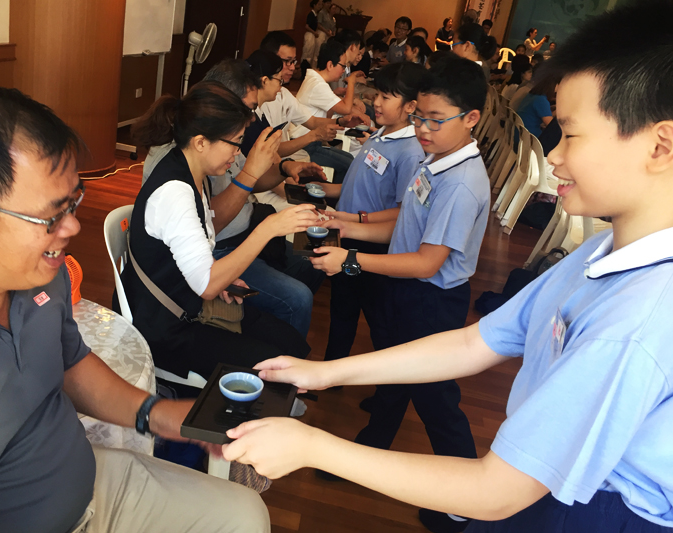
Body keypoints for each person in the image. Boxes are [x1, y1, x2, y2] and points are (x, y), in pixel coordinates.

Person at [223, 3, 673, 533]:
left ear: (660, 146)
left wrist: (314, 447)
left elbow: (496, 490)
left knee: (440, 411)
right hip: (541, 487)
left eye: (570, 135)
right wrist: (323, 372)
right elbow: (472, 343)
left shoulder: (639, 319)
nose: (552, 158)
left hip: (587, 513)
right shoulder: (595, 258)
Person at [0, 84, 271, 533]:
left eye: (74, 201)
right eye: (52, 215)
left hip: (88, 484)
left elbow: (69, 359)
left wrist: (157, 414)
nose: (74, 226)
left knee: (245, 515)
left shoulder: (37, 274)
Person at [307, 55, 490, 532]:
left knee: (435, 399)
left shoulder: (462, 183)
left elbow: (428, 261)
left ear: (470, 118)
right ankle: (370, 448)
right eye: (419, 117)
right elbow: (403, 217)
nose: (423, 129)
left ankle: (469, 504)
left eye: (435, 120)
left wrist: (350, 259)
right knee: (394, 375)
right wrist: (346, 221)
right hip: (407, 290)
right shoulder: (436, 160)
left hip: (430, 299)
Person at [128, 81, 314, 381]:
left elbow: (196, 249)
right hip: (167, 326)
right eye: (235, 142)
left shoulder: (192, 172)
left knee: (286, 341)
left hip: (186, 302)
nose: (237, 153)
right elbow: (207, 285)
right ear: (201, 142)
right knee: (279, 364)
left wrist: (226, 276)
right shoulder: (175, 191)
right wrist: (267, 228)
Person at [320, 62, 427, 370]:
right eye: (378, 94)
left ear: (410, 106)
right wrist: (326, 189)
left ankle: (387, 389)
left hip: (371, 243)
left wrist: (357, 221)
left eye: (387, 97)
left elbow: (401, 212)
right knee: (342, 307)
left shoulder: (409, 151)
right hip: (349, 230)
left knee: (377, 318)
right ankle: (331, 370)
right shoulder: (382, 134)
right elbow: (360, 183)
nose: (377, 102)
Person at [258, 31, 367, 186]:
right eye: (287, 61)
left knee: (341, 167)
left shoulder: (284, 94)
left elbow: (312, 121)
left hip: (284, 160)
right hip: (272, 169)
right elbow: (270, 153)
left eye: (293, 61)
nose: (292, 67)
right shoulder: (257, 103)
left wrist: (341, 121)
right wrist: (314, 136)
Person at [295, 40, 367, 131]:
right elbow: (346, 109)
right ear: (330, 65)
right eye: (343, 66)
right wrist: (351, 82)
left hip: (311, 135)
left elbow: (327, 116)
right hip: (305, 139)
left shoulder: (316, 80)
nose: (343, 70)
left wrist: (334, 94)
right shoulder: (318, 85)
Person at [516, 71, 556, 138]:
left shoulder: (532, 95)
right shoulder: (541, 100)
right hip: (530, 139)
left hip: (519, 135)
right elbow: (551, 126)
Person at [301, 0, 327, 73]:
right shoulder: (311, 14)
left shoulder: (316, 15)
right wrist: (314, 32)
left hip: (312, 34)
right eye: (318, 5)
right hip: (310, 34)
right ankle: (304, 69)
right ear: (314, 5)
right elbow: (307, 26)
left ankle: (309, 68)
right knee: (307, 51)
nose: (320, 6)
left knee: (312, 52)